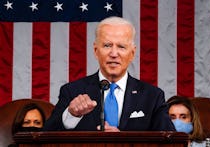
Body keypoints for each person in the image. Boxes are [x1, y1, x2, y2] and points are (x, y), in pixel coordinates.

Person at [43, 16, 175, 132]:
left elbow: (169, 141)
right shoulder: (72, 92)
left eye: (121, 47)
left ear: (132, 53)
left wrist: (122, 142)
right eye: (107, 45)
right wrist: (71, 115)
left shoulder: (152, 96)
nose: (113, 54)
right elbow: (46, 137)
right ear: (96, 51)